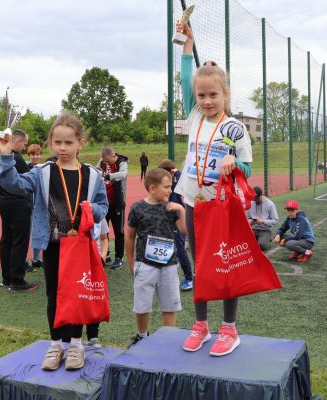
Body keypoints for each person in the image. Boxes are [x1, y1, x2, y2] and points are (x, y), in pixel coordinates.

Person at [0, 111, 108, 371]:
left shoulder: (92, 175)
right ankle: (56, 344)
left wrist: (94, 210)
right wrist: (5, 155)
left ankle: (76, 346)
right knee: (54, 295)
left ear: (80, 142)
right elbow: (12, 184)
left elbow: (103, 204)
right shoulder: (42, 172)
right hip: (54, 246)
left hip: (80, 246)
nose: (62, 148)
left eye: (68, 143)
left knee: (77, 295)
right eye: (57, 142)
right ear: (50, 143)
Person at [173, 20, 253, 357]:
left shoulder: (234, 128)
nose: (206, 101)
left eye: (213, 95)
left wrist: (233, 164)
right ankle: (201, 325)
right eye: (202, 95)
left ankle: (229, 329)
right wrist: (186, 46)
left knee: (225, 262)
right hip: (194, 199)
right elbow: (185, 77)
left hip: (223, 204)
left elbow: (248, 168)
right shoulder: (194, 117)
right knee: (200, 261)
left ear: (226, 95)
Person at [125, 168, 186, 347]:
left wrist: (181, 210)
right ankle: (142, 336)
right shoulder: (137, 208)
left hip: (169, 265)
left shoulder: (171, 207)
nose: (170, 190)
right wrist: (131, 263)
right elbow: (129, 236)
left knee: (170, 305)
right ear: (152, 188)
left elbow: (184, 231)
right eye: (166, 187)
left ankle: (169, 339)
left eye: (171, 186)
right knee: (142, 305)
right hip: (145, 264)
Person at [0, 128, 37, 291]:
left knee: (7, 240)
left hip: (3, 202)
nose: (24, 148)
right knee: (19, 241)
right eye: (24, 144)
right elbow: (29, 180)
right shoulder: (15, 158)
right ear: (16, 142)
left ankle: (7, 278)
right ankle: (17, 280)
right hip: (18, 203)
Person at [158, 159, 194, 291]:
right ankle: (165, 277)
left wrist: (177, 173)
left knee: (180, 248)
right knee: (164, 247)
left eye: (166, 173)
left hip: (177, 219)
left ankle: (189, 278)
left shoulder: (178, 182)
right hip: (165, 219)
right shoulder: (165, 183)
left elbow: (183, 183)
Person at [97, 147, 128, 270]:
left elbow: (123, 174)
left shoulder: (122, 162)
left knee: (119, 232)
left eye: (108, 161)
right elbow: (96, 170)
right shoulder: (102, 161)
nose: (106, 163)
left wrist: (108, 176)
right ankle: (107, 253)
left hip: (117, 203)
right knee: (103, 231)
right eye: (104, 161)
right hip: (104, 203)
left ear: (113, 156)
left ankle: (119, 258)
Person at [85, 217, 110, 348]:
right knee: (80, 298)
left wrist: (102, 257)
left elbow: (104, 239)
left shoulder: (99, 215)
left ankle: (93, 337)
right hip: (79, 262)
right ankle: (72, 338)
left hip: (96, 263)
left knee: (95, 297)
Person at [26, 144, 44, 271]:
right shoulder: (24, 167)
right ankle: (23, 262)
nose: (35, 157)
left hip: (39, 206)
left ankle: (36, 259)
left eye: (37, 154)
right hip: (27, 206)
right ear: (29, 155)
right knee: (26, 234)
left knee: (38, 232)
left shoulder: (43, 169)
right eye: (33, 154)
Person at [246, 186, 279, 251]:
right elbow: (247, 218)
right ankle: (259, 239)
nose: (255, 201)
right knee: (244, 244)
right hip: (253, 229)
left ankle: (266, 237)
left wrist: (263, 221)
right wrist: (252, 222)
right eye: (254, 199)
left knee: (262, 246)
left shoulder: (270, 204)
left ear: (262, 195)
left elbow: (275, 221)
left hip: (265, 230)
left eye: (257, 198)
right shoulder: (251, 202)